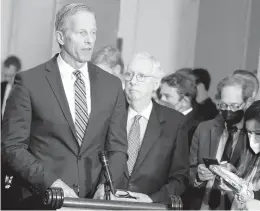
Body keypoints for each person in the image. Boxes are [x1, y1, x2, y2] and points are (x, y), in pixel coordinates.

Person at [1, 3, 128, 209]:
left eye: (93, 32)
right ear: (61, 37)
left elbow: (118, 148)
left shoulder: (111, 85)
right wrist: (52, 182)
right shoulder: (30, 82)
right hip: (42, 199)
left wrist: (105, 187)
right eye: (81, 33)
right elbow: (12, 147)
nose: (90, 40)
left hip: (91, 203)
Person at [96, 53, 189, 204]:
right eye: (130, 74)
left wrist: (152, 199)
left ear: (156, 83)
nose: (133, 81)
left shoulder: (174, 122)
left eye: (141, 76)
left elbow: (180, 178)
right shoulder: (107, 115)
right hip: (108, 204)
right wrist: (100, 188)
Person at [189, 75, 255, 210]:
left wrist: (234, 174)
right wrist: (198, 176)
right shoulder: (205, 129)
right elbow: (188, 169)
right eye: (223, 105)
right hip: (203, 203)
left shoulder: (253, 134)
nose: (228, 110)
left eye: (234, 105)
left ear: (247, 102)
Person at [218, 100, 260, 210]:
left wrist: (251, 199)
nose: (252, 139)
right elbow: (238, 204)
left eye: (258, 133)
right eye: (249, 132)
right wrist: (233, 179)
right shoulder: (251, 157)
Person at [160, 72, 201, 146]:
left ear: (184, 101)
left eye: (167, 96)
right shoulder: (160, 118)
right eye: (161, 95)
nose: (161, 99)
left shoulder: (196, 129)